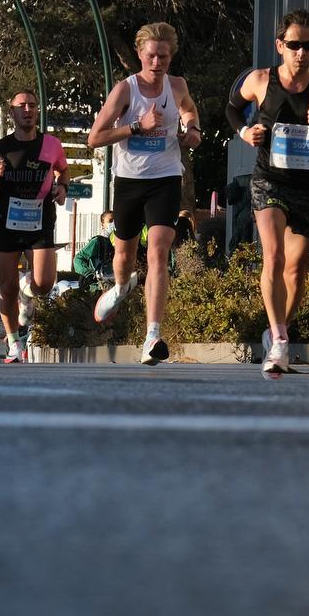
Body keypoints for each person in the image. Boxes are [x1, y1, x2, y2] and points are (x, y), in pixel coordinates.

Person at [228, 8, 309, 377]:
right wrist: (244, 132)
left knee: (297, 270)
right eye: (293, 45)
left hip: (308, 186)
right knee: (272, 255)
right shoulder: (259, 80)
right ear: (280, 45)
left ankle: (275, 332)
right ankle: (282, 341)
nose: (301, 53)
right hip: (269, 180)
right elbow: (232, 108)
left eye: (308, 46)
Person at [88, 22, 202, 365]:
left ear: (171, 56)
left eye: (163, 56)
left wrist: (193, 130)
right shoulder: (125, 91)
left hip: (166, 178)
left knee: (158, 251)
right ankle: (122, 287)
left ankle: (152, 335)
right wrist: (137, 126)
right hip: (129, 181)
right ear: (140, 55)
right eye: (151, 55)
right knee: (123, 255)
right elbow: (95, 137)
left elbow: (189, 111)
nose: (157, 62)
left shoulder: (177, 85)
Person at [0, 90, 70, 363]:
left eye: (32, 105)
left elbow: (63, 170)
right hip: (6, 222)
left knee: (44, 283)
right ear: (12, 113)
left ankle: (27, 296)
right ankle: (14, 344)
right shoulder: (0, 147)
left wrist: (62, 187)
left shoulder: (51, 144)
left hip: (39, 221)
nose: (27, 110)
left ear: (37, 111)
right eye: (21, 106)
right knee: (6, 289)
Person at [74, 211, 116, 285]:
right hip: (95, 285)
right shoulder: (97, 241)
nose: (113, 223)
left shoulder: (118, 242)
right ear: (102, 224)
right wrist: (89, 275)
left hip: (111, 283)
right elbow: (78, 259)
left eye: (116, 220)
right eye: (110, 221)